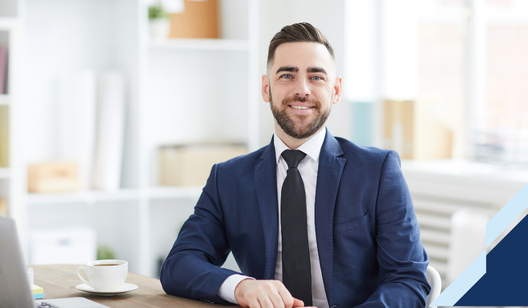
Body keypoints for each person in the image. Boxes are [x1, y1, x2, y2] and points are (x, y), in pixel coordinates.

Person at [160, 22, 430, 308]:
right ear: (266, 88)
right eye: (287, 75)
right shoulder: (228, 179)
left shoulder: (377, 172)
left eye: (316, 77)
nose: (302, 90)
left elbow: (408, 279)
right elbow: (179, 265)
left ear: (335, 91)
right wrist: (241, 286)